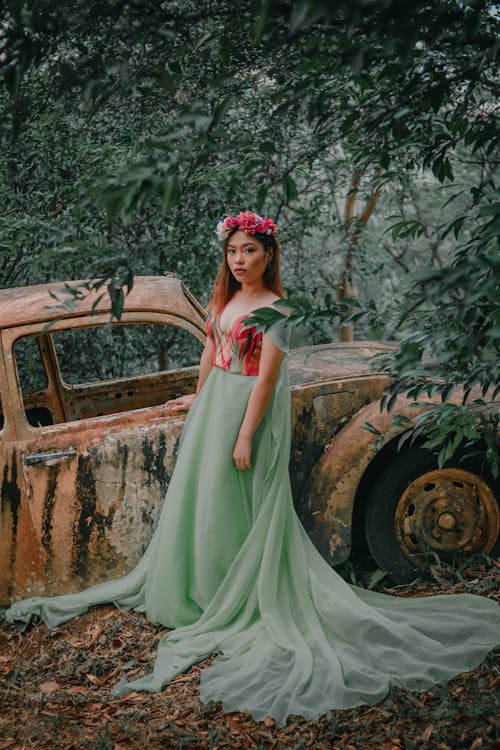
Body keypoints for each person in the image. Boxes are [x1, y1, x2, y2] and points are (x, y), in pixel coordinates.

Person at [4, 211, 499, 726]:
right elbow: (210, 351)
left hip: (247, 410)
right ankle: (203, 587)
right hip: (216, 401)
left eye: (250, 252)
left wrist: (244, 434)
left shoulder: (277, 309)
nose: (240, 261)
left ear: (269, 255)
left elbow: (265, 379)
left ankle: (237, 595)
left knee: (235, 495)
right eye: (233, 251)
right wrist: (196, 400)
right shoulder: (225, 297)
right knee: (206, 498)